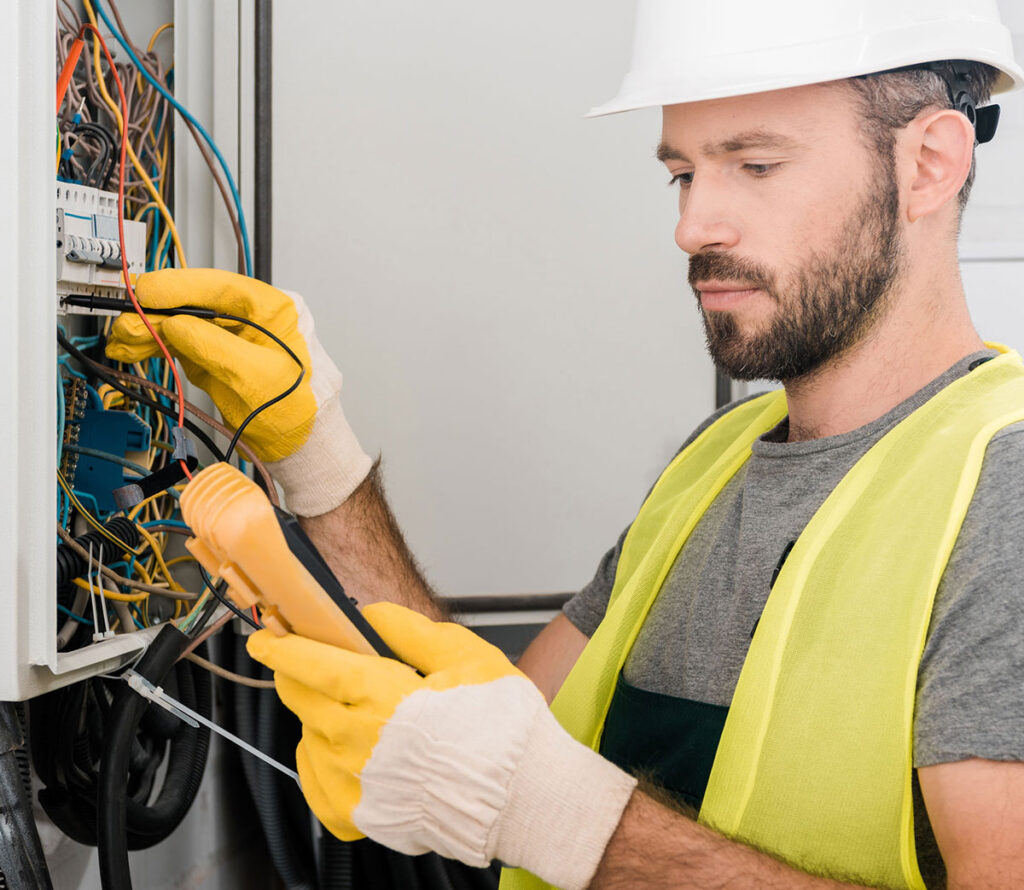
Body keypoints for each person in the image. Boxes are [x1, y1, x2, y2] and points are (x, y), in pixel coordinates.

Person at [106, 2, 1024, 887]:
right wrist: (318, 459)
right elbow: (479, 731)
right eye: (683, 173)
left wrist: (569, 821)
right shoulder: (719, 456)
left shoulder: (1002, 488)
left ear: (928, 164)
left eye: (754, 165)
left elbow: (527, 794)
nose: (692, 225)